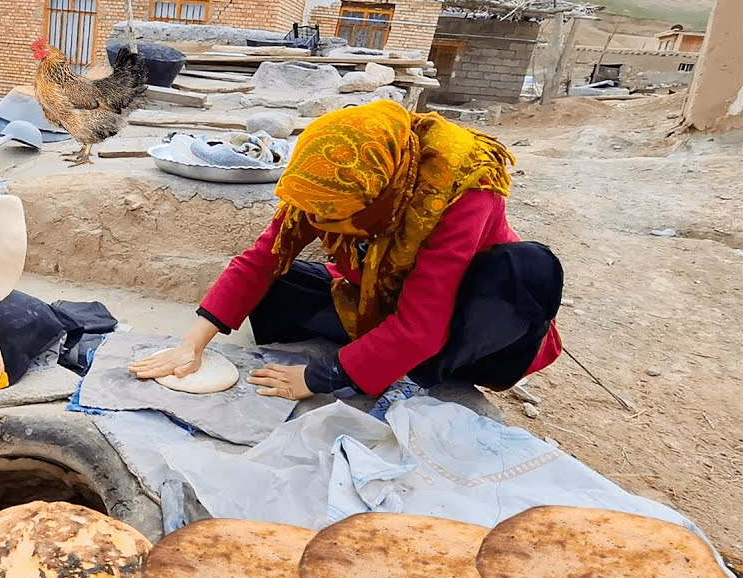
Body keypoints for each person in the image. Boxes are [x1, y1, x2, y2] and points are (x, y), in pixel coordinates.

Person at [130, 99, 564, 403]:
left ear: (376, 197)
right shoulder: (327, 176)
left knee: (526, 268)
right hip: (384, 295)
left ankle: (428, 373)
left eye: (332, 220)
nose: (316, 226)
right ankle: (376, 354)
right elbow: (261, 258)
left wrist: (321, 377)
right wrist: (191, 345)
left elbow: (423, 323)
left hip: (468, 318)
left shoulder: (460, 191)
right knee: (279, 288)